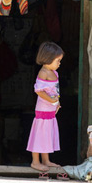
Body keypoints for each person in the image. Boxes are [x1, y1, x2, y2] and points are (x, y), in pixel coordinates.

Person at [26, 41, 64, 171]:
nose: (59, 63)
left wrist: (56, 102)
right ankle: (35, 162)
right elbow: (39, 91)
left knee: (46, 134)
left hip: (50, 111)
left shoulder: (54, 72)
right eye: (57, 60)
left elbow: (55, 90)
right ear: (47, 59)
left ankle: (46, 160)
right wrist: (52, 101)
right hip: (43, 110)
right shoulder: (43, 73)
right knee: (40, 134)